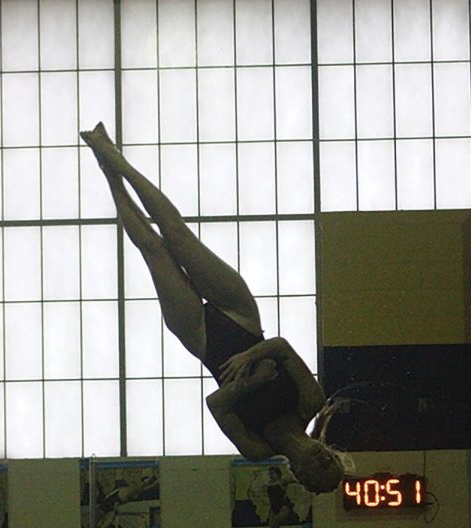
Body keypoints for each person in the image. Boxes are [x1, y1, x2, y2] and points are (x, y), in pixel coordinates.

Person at [80, 123, 351, 494]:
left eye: (318, 469)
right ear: (328, 450)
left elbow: (216, 404)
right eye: (328, 460)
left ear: (300, 476)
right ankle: (113, 155)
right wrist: (251, 355)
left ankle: (104, 167)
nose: (321, 460)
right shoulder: (311, 402)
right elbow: (283, 347)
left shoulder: (257, 448)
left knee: (153, 248)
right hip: (241, 318)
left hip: (205, 342)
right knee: (176, 233)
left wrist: (249, 382)